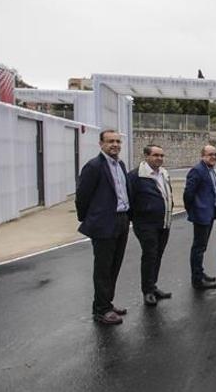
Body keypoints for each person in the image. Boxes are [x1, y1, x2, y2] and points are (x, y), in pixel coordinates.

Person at [75, 129, 131, 325]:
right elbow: (82, 196)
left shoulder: (120, 165)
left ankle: (106, 302)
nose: (115, 144)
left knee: (115, 265)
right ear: (101, 144)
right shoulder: (94, 166)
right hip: (103, 223)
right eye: (110, 141)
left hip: (122, 220)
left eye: (117, 141)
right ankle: (100, 310)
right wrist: (89, 219)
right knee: (103, 267)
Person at [128, 144, 174, 306]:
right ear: (146, 156)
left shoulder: (164, 173)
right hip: (146, 224)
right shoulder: (136, 176)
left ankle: (153, 286)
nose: (159, 158)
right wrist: (137, 218)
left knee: (157, 255)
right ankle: (147, 291)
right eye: (156, 155)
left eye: (161, 155)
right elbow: (129, 199)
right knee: (150, 255)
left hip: (164, 222)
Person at [184, 145, 216, 290]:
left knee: (202, 246)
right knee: (198, 248)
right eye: (210, 154)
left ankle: (200, 272)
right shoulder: (197, 170)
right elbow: (188, 194)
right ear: (202, 156)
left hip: (210, 214)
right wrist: (193, 210)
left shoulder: (210, 170)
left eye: (215, 155)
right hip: (201, 215)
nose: (213, 157)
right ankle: (197, 279)